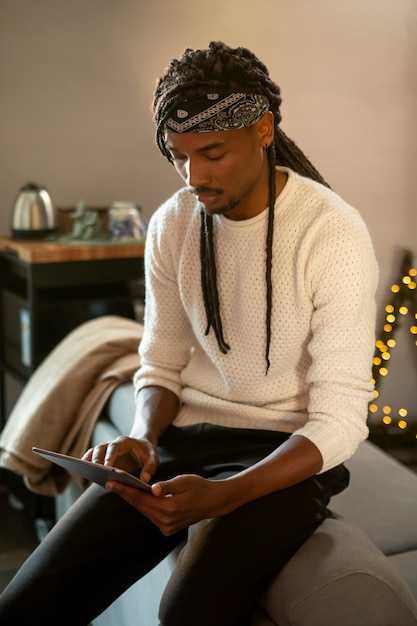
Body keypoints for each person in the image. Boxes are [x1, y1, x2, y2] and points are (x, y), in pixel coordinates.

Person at [0, 41, 378, 626]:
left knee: (188, 613)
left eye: (212, 152)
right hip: (182, 443)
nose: (193, 175)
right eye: (178, 155)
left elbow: (341, 419)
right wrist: (143, 438)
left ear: (263, 129)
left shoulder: (332, 235)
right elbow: (160, 363)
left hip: (285, 455)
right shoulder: (174, 222)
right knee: (27, 603)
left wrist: (225, 497)